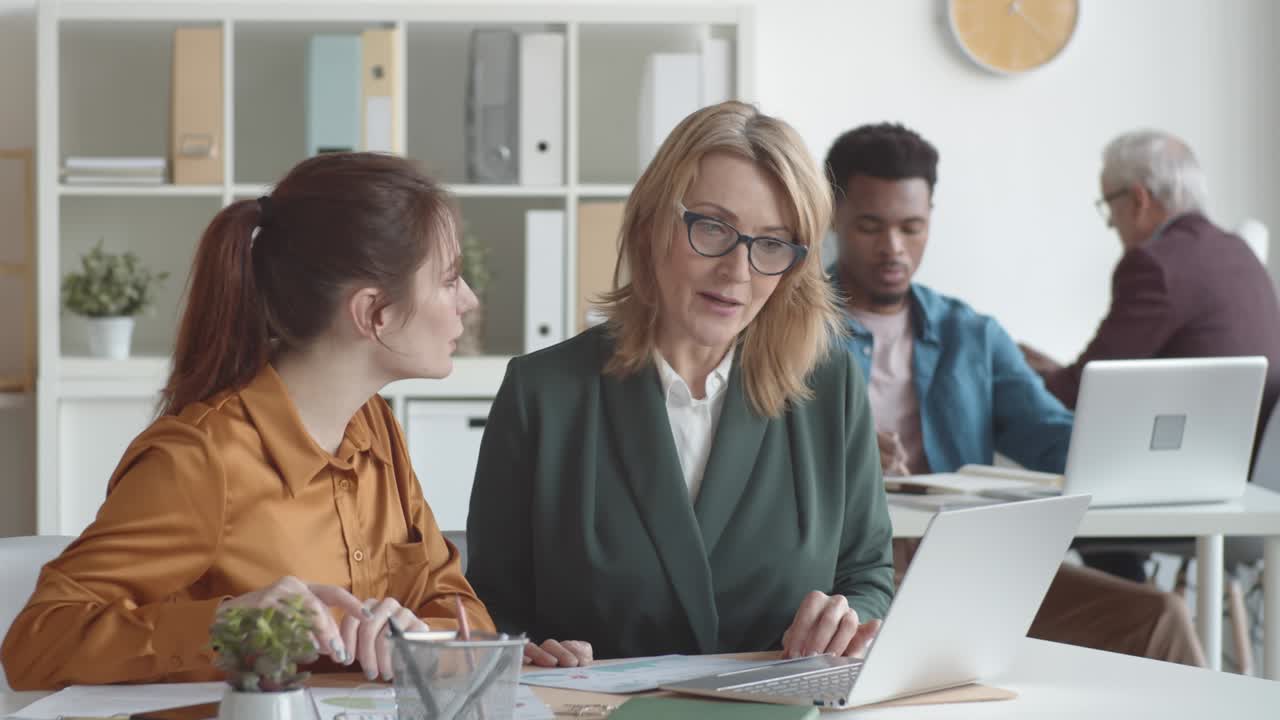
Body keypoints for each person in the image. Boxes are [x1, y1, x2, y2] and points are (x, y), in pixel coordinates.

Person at [1, 153, 494, 690]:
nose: (467, 299)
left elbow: (461, 612)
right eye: (448, 280)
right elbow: (38, 642)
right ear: (373, 312)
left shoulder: (376, 429)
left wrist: (418, 638)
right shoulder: (200, 460)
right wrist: (236, 624)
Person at [465, 101, 894, 668]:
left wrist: (846, 618)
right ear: (651, 225)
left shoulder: (829, 384)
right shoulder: (541, 392)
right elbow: (489, 604)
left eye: (772, 243)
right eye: (713, 227)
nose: (737, 272)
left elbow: (866, 573)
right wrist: (524, 651)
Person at [824, 122, 1206, 667]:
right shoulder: (790, 329)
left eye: (912, 227)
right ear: (833, 216)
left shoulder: (970, 335)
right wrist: (847, 459)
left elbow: (1050, 435)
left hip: (968, 577)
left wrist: (1138, 444)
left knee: (1157, 618)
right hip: (841, 587)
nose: (894, 247)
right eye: (870, 226)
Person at [1020, 130, 1280, 582]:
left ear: (1137, 198)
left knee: (1047, 516)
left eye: (1109, 207)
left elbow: (1080, 393)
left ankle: (1138, 630)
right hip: (1256, 486)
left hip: (1194, 491)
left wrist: (1006, 370)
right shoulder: (1241, 254)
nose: (1112, 224)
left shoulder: (1155, 264)